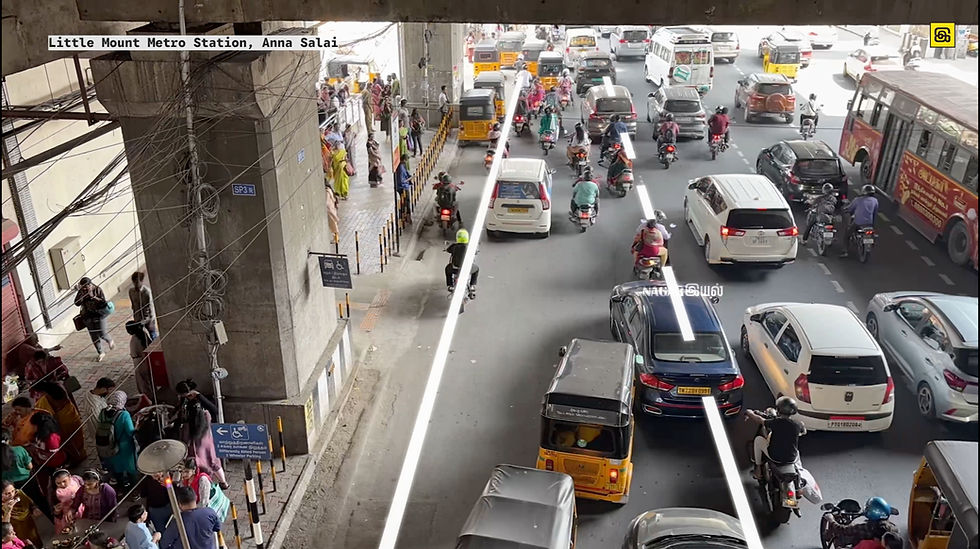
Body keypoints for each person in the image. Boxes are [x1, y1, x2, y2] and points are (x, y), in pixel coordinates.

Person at [744, 396, 806, 480]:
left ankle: (758, 470)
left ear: (778, 409)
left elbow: (760, 419)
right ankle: (800, 474)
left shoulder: (776, 422)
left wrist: (749, 413)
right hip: (791, 458)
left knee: (758, 440)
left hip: (775, 456)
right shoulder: (798, 424)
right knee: (797, 451)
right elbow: (803, 432)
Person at [2, 430, 48, 523]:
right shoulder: (19, 450)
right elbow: (29, 466)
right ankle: (53, 520)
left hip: (9, 488)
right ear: (8, 440)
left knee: (17, 510)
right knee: (40, 501)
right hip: (27, 481)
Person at [179, 398, 227, 488]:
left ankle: (201, 483)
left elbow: (185, 436)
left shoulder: (188, 421)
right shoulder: (206, 415)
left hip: (195, 445)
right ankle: (224, 482)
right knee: (214, 462)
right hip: (208, 443)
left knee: (200, 464)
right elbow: (214, 410)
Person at [33, 382, 84, 466]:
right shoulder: (58, 388)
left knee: (70, 442)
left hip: (65, 421)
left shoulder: (46, 399)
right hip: (69, 418)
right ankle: (78, 455)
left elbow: (46, 417)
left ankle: (76, 457)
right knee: (74, 440)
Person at [825, 497, 901, 547]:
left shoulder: (864, 530)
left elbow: (842, 529)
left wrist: (831, 520)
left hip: (857, 544)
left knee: (839, 537)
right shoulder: (894, 530)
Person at [99, 391, 138, 488]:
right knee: (131, 469)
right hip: (125, 447)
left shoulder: (103, 412)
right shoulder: (124, 414)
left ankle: (121, 487)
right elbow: (130, 431)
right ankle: (134, 490)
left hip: (110, 445)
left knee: (117, 468)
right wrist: (137, 425)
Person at [73, 277, 114, 362]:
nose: (84, 289)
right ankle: (100, 352)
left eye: (86, 287)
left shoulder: (97, 289)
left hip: (99, 315)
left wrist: (93, 297)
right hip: (87, 316)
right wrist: (82, 294)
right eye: (82, 287)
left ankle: (109, 340)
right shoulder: (82, 291)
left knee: (102, 333)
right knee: (94, 335)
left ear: (90, 285)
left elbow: (103, 303)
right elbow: (76, 303)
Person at [178, 458, 230, 523]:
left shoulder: (203, 480)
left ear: (194, 470)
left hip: (206, 508)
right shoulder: (185, 480)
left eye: (186, 471)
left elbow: (203, 503)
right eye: (181, 471)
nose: (183, 474)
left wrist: (190, 513)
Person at [840, 184, 879, 257]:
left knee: (847, 234)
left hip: (858, 222)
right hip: (869, 224)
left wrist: (845, 210)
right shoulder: (875, 201)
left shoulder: (857, 200)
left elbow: (850, 209)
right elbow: (875, 213)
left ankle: (845, 251)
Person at [1, 481, 41, 547]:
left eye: (13, 491)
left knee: (36, 540)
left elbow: (30, 502)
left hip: (28, 523)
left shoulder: (18, 493)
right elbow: (4, 525)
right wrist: (8, 511)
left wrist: (34, 509)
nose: (11, 495)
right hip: (15, 530)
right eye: (7, 493)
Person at [48, 469, 82, 534]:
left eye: (64, 481)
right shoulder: (56, 493)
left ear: (69, 477)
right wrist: (57, 511)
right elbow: (56, 511)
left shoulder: (76, 481)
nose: (62, 484)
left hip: (80, 510)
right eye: (58, 483)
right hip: (67, 516)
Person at [127, 320, 155, 398]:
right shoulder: (143, 334)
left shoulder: (135, 339)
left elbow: (135, 353)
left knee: (143, 383)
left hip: (139, 361)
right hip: (145, 360)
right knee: (148, 381)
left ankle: (148, 398)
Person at [445, 229, 478, 294]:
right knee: (476, 270)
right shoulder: (470, 247)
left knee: (447, 269)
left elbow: (448, 250)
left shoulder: (454, 246)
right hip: (467, 269)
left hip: (455, 269)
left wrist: (446, 250)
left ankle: (450, 285)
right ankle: (472, 285)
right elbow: (475, 251)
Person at [128, 271, 157, 341]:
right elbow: (133, 305)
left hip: (148, 319)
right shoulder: (131, 291)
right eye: (134, 282)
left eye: (137, 282)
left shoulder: (147, 292)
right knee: (141, 338)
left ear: (141, 281)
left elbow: (151, 307)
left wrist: (151, 320)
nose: (135, 284)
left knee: (153, 336)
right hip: (138, 319)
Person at [396, 153, 413, 225]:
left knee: (405, 202)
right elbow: (402, 180)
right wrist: (409, 179)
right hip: (403, 187)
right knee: (406, 202)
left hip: (402, 186)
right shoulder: (400, 168)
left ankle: (404, 216)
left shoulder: (401, 166)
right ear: (404, 160)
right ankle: (406, 216)